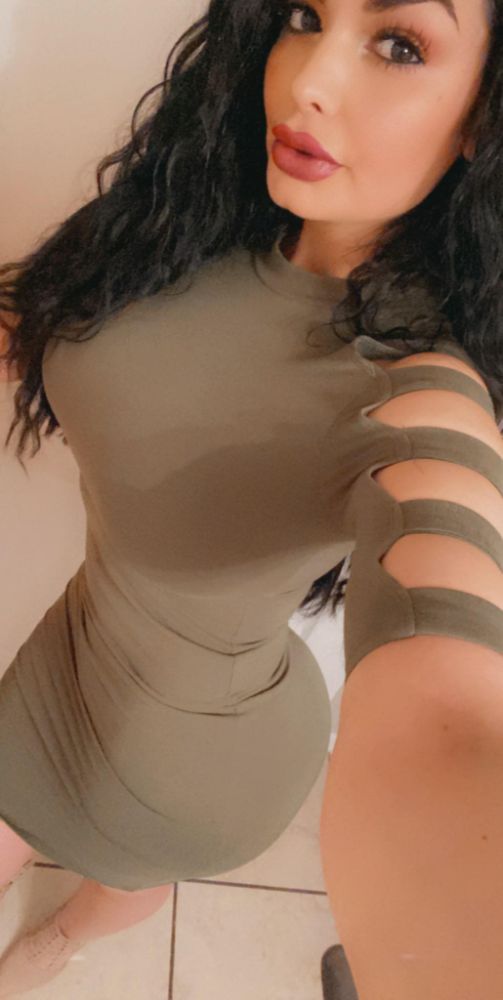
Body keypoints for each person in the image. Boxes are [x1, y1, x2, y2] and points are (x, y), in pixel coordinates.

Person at [0, 0, 502, 996]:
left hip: (185, 763)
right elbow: (43, 316)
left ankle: (66, 939)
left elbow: (448, 669)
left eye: (398, 44)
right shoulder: (188, 221)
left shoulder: (416, 383)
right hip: (71, 647)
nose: (306, 80)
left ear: (480, 117)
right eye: (305, 15)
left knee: (125, 871)